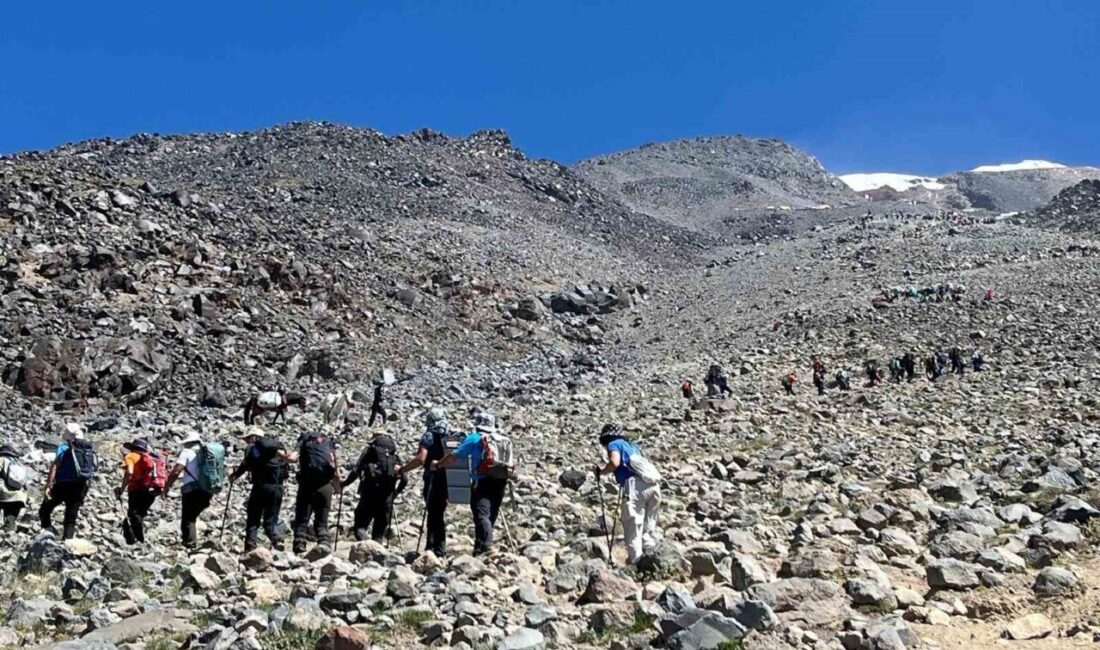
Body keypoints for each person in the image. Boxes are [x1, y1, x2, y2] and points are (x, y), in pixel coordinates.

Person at [435, 412, 510, 556]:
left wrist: (439, 464)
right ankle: (479, 548)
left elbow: (454, 455)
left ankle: (487, 546)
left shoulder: (474, 438)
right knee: (491, 514)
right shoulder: (500, 437)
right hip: (501, 480)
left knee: (481, 514)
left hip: (482, 480)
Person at [596, 424, 661, 565]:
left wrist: (602, 471)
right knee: (648, 526)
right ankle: (653, 560)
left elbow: (614, 462)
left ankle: (636, 563)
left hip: (634, 486)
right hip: (653, 486)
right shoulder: (633, 447)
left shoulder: (614, 444)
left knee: (633, 526)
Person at [396, 407, 455, 557]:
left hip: (432, 477)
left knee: (432, 512)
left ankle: (432, 548)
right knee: (439, 513)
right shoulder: (450, 434)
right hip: (447, 478)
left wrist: (403, 469)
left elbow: (421, 458)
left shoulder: (429, 435)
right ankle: (439, 548)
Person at [230, 428, 296, 552]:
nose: (246, 441)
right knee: (271, 519)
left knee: (253, 518)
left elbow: (245, 465)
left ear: (254, 437)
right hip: (276, 487)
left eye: (248, 438)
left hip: (259, 487)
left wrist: (234, 476)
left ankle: (250, 546)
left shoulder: (253, 449)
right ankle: (276, 539)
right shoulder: (276, 449)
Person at [344, 427, 407, 542]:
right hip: (386, 499)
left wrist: (344, 484)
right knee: (378, 535)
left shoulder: (369, 451)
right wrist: (395, 494)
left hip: (369, 496)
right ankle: (376, 550)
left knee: (360, 527)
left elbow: (356, 470)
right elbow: (405, 479)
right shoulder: (394, 455)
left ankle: (364, 546)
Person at [163, 432, 222, 549]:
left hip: (191, 490)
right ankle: (191, 543)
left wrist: (167, 487)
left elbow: (176, 471)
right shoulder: (207, 453)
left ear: (189, 442)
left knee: (188, 518)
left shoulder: (187, 452)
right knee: (192, 517)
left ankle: (190, 545)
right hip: (207, 489)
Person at [40, 425, 96, 540]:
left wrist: (49, 485)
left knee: (44, 509)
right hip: (80, 486)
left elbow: (55, 466)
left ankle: (48, 534)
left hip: (63, 485)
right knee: (71, 517)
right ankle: (67, 542)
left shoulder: (64, 447)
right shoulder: (88, 449)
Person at [292, 430, 340, 554]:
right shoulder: (328, 444)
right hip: (325, 487)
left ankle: (299, 544)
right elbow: (334, 464)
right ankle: (324, 543)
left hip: (306, 486)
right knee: (322, 521)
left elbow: (293, 458)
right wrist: (338, 485)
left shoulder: (304, 443)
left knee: (302, 518)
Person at [116, 438, 163, 545]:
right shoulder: (151, 458)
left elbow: (129, 473)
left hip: (136, 489)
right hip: (152, 488)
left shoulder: (131, 456)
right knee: (140, 513)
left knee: (134, 514)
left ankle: (137, 540)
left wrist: (122, 489)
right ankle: (138, 540)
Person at [0, 444, 28, 533]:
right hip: (19, 496)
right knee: (10, 520)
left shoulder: (1, 459)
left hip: (4, 494)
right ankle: (10, 535)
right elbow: (25, 484)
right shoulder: (18, 463)